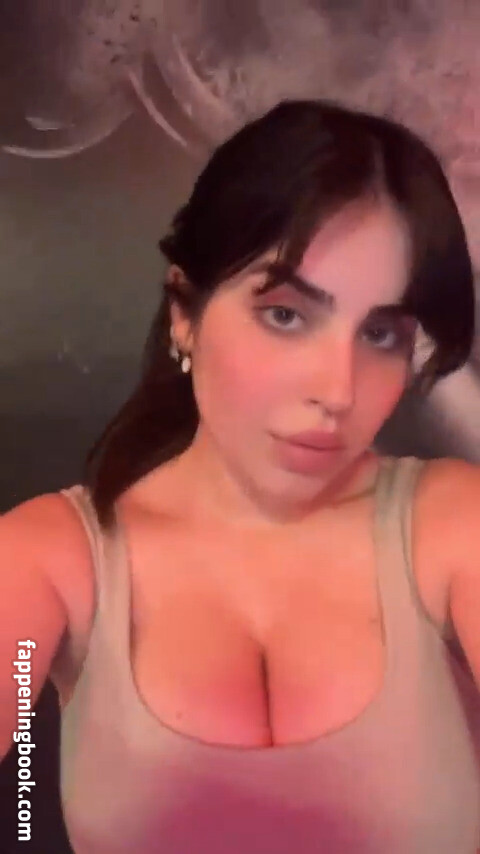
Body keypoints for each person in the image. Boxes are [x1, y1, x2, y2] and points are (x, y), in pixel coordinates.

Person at [1, 99, 480, 853]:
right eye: (286, 315)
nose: (338, 390)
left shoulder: (452, 527)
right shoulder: (51, 559)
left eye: (381, 333)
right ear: (184, 313)